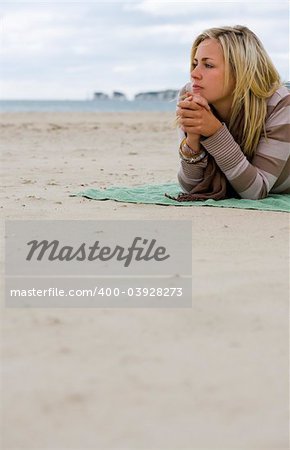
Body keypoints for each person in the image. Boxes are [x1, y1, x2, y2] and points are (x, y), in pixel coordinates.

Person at [175, 25, 290, 200]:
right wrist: (192, 140)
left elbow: (256, 191)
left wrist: (215, 132)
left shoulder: (280, 104)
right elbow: (191, 187)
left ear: (240, 71)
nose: (194, 74)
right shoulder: (191, 95)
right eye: (195, 63)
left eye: (208, 65)